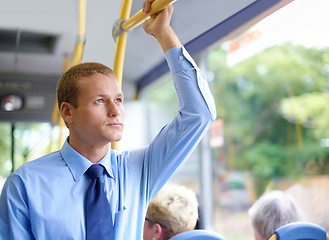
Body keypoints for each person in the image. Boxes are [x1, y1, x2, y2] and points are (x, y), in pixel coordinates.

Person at [0, 0, 216, 239]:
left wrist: (164, 34)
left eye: (119, 100)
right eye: (100, 101)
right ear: (67, 112)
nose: (116, 111)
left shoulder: (138, 170)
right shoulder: (25, 185)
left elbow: (199, 115)